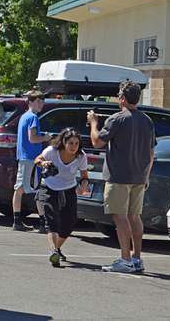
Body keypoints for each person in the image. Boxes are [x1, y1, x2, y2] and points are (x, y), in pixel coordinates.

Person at [88, 80, 155, 273]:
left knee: (121, 217)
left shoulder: (116, 119)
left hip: (119, 176)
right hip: (139, 177)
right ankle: (137, 258)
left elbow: (97, 142)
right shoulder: (147, 120)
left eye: (119, 96)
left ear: (123, 99)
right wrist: (146, 176)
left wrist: (93, 123)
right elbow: (151, 153)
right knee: (135, 217)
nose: (118, 99)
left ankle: (125, 258)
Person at [34, 128, 90, 267]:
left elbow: (84, 176)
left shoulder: (81, 156)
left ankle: (57, 249)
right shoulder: (51, 152)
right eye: (70, 143)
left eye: (76, 143)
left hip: (69, 188)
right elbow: (37, 159)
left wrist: (84, 185)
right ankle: (53, 251)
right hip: (48, 187)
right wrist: (43, 163)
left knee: (69, 222)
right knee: (52, 220)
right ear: (63, 142)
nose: (73, 146)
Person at [13, 89, 52, 232]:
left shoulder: (24, 116)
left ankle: (19, 221)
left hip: (25, 157)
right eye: (38, 101)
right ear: (30, 102)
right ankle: (43, 223)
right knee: (36, 190)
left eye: (42, 101)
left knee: (23, 188)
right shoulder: (33, 118)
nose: (41, 104)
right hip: (30, 158)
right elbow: (32, 138)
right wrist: (46, 138)